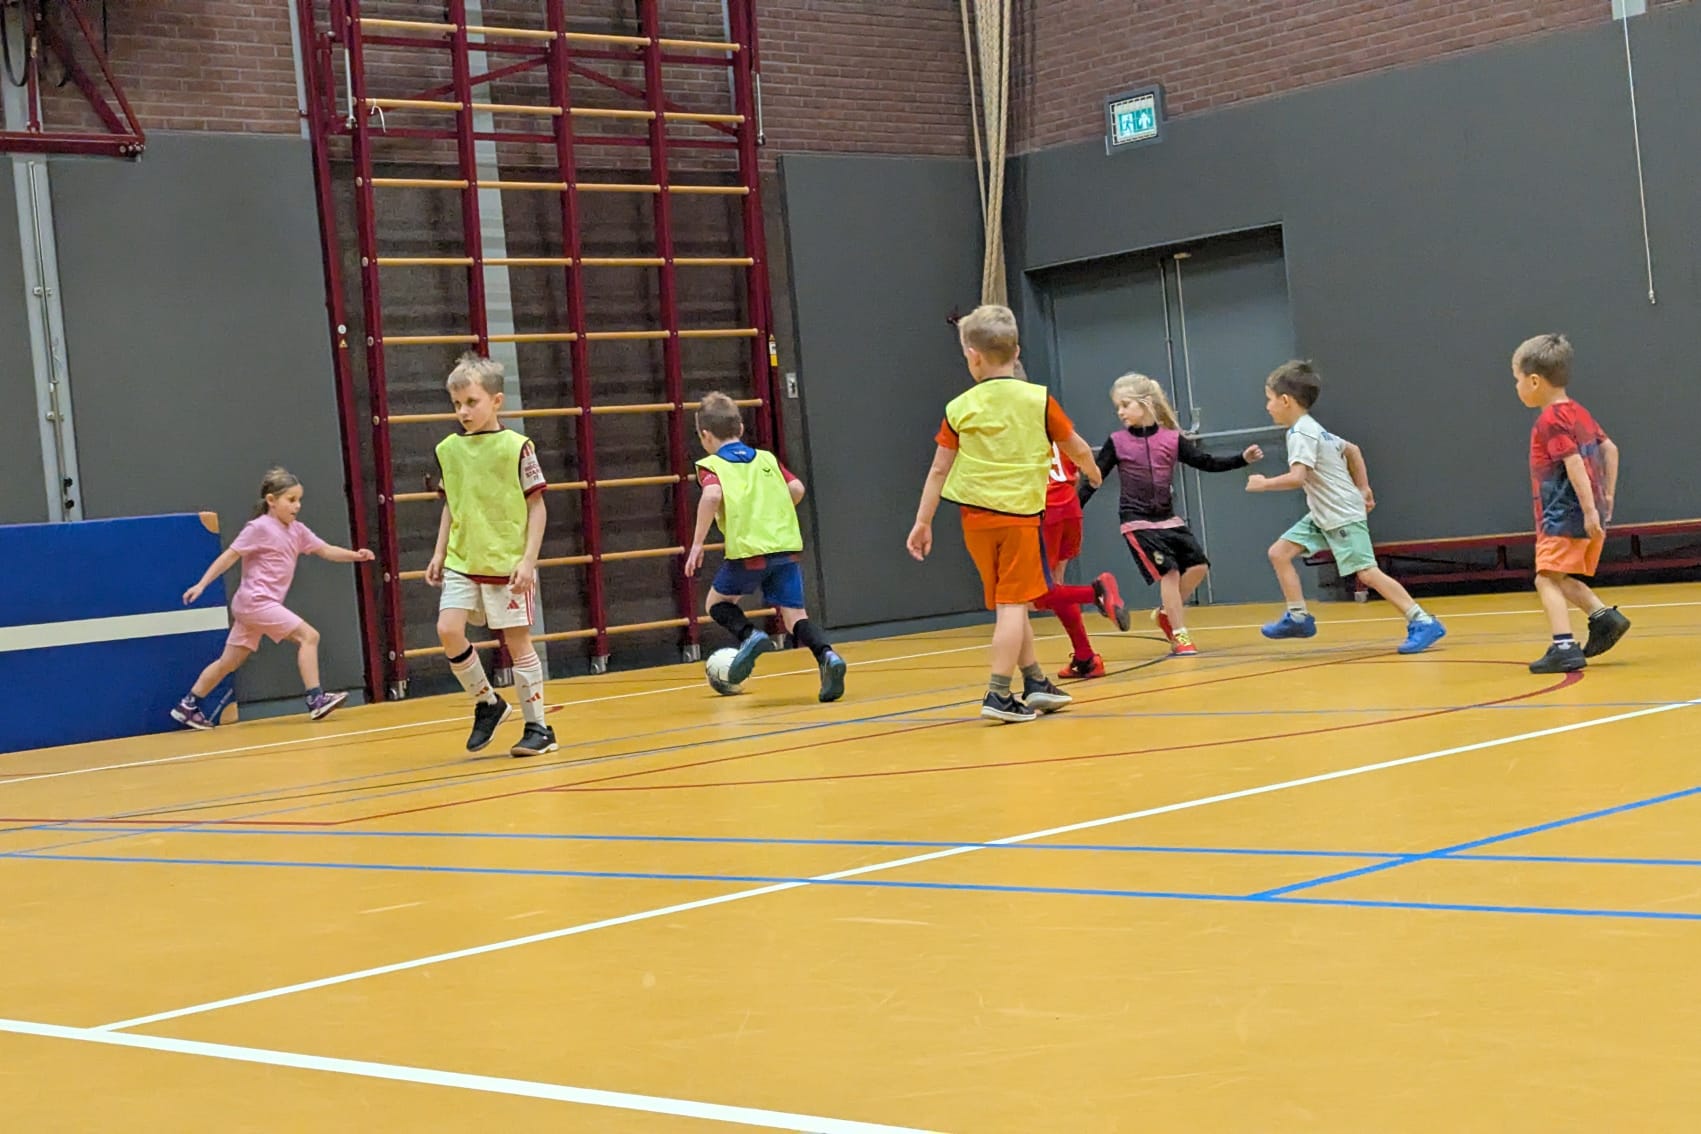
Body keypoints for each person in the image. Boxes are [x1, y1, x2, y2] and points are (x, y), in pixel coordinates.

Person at [906, 304, 1103, 722]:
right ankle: (998, 693)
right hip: (1018, 518)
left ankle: (1035, 681)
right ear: (1016, 353)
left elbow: (939, 469)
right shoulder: (1037, 399)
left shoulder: (959, 407)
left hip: (975, 520)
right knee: (1013, 606)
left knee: (1010, 599)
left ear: (973, 356)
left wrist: (923, 521)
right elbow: (1076, 445)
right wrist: (1092, 471)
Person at [1248, 360, 1446, 654]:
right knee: (1279, 552)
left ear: (1285, 400)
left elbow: (1297, 477)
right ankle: (1298, 617)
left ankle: (1423, 620)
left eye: (1269, 399)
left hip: (1340, 514)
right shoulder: (1314, 428)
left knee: (1367, 573)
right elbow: (1353, 450)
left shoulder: (1301, 433)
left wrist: (1264, 483)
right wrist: (1363, 488)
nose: (1267, 406)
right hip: (1323, 514)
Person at [425, 352, 555, 757]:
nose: (463, 411)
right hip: (462, 559)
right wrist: (439, 551)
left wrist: (528, 560)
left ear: (496, 401)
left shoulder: (517, 447)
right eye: (456, 404)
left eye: (471, 402)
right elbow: (452, 503)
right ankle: (488, 702)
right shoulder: (448, 449)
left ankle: (539, 727)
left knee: (517, 643)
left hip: (506, 562)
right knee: (448, 629)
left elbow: (537, 507)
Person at [174, 467, 373, 729]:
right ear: (271, 500)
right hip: (256, 601)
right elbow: (230, 556)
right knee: (309, 636)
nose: (297, 506)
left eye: (299, 500)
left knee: (229, 662)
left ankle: (188, 705)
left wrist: (355, 556)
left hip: (255, 606)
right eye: (291, 500)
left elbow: (325, 550)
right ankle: (316, 698)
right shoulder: (258, 528)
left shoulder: (297, 531)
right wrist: (202, 584)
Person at [1081, 372, 1261, 656]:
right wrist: (1073, 508)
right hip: (1136, 520)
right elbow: (1094, 479)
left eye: (1126, 405)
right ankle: (1180, 635)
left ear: (1145, 403)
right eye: (1118, 407)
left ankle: (1166, 613)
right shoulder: (1117, 442)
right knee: (1170, 572)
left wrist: (1241, 459)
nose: (1120, 412)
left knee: (1199, 566)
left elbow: (1206, 462)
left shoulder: (1172, 439)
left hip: (1167, 519)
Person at [685, 391, 846, 701]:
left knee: (717, 603)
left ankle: (751, 635)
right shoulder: (766, 459)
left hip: (750, 550)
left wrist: (697, 544)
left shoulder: (712, 465)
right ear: (740, 428)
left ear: (705, 435)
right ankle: (827, 655)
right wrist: (772, 510)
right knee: (794, 616)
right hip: (785, 547)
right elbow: (796, 488)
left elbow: (713, 495)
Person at [1511, 333, 1629, 672]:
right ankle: (1603, 618)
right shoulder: (1579, 413)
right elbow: (1610, 450)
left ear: (1535, 381)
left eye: (1517, 379)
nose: (1516, 386)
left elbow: (1573, 462)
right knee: (1559, 575)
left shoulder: (1549, 420)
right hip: (1586, 512)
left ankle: (1563, 646)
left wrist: (1589, 509)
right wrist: (1606, 497)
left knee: (1545, 578)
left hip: (1563, 515)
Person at [1034, 440, 1129, 680]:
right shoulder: (1054, 424)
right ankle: (1086, 658)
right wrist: (1094, 476)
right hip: (1069, 505)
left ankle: (1095, 593)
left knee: (1030, 597)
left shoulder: (1014, 427)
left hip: (1043, 510)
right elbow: (1081, 454)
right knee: (1057, 587)